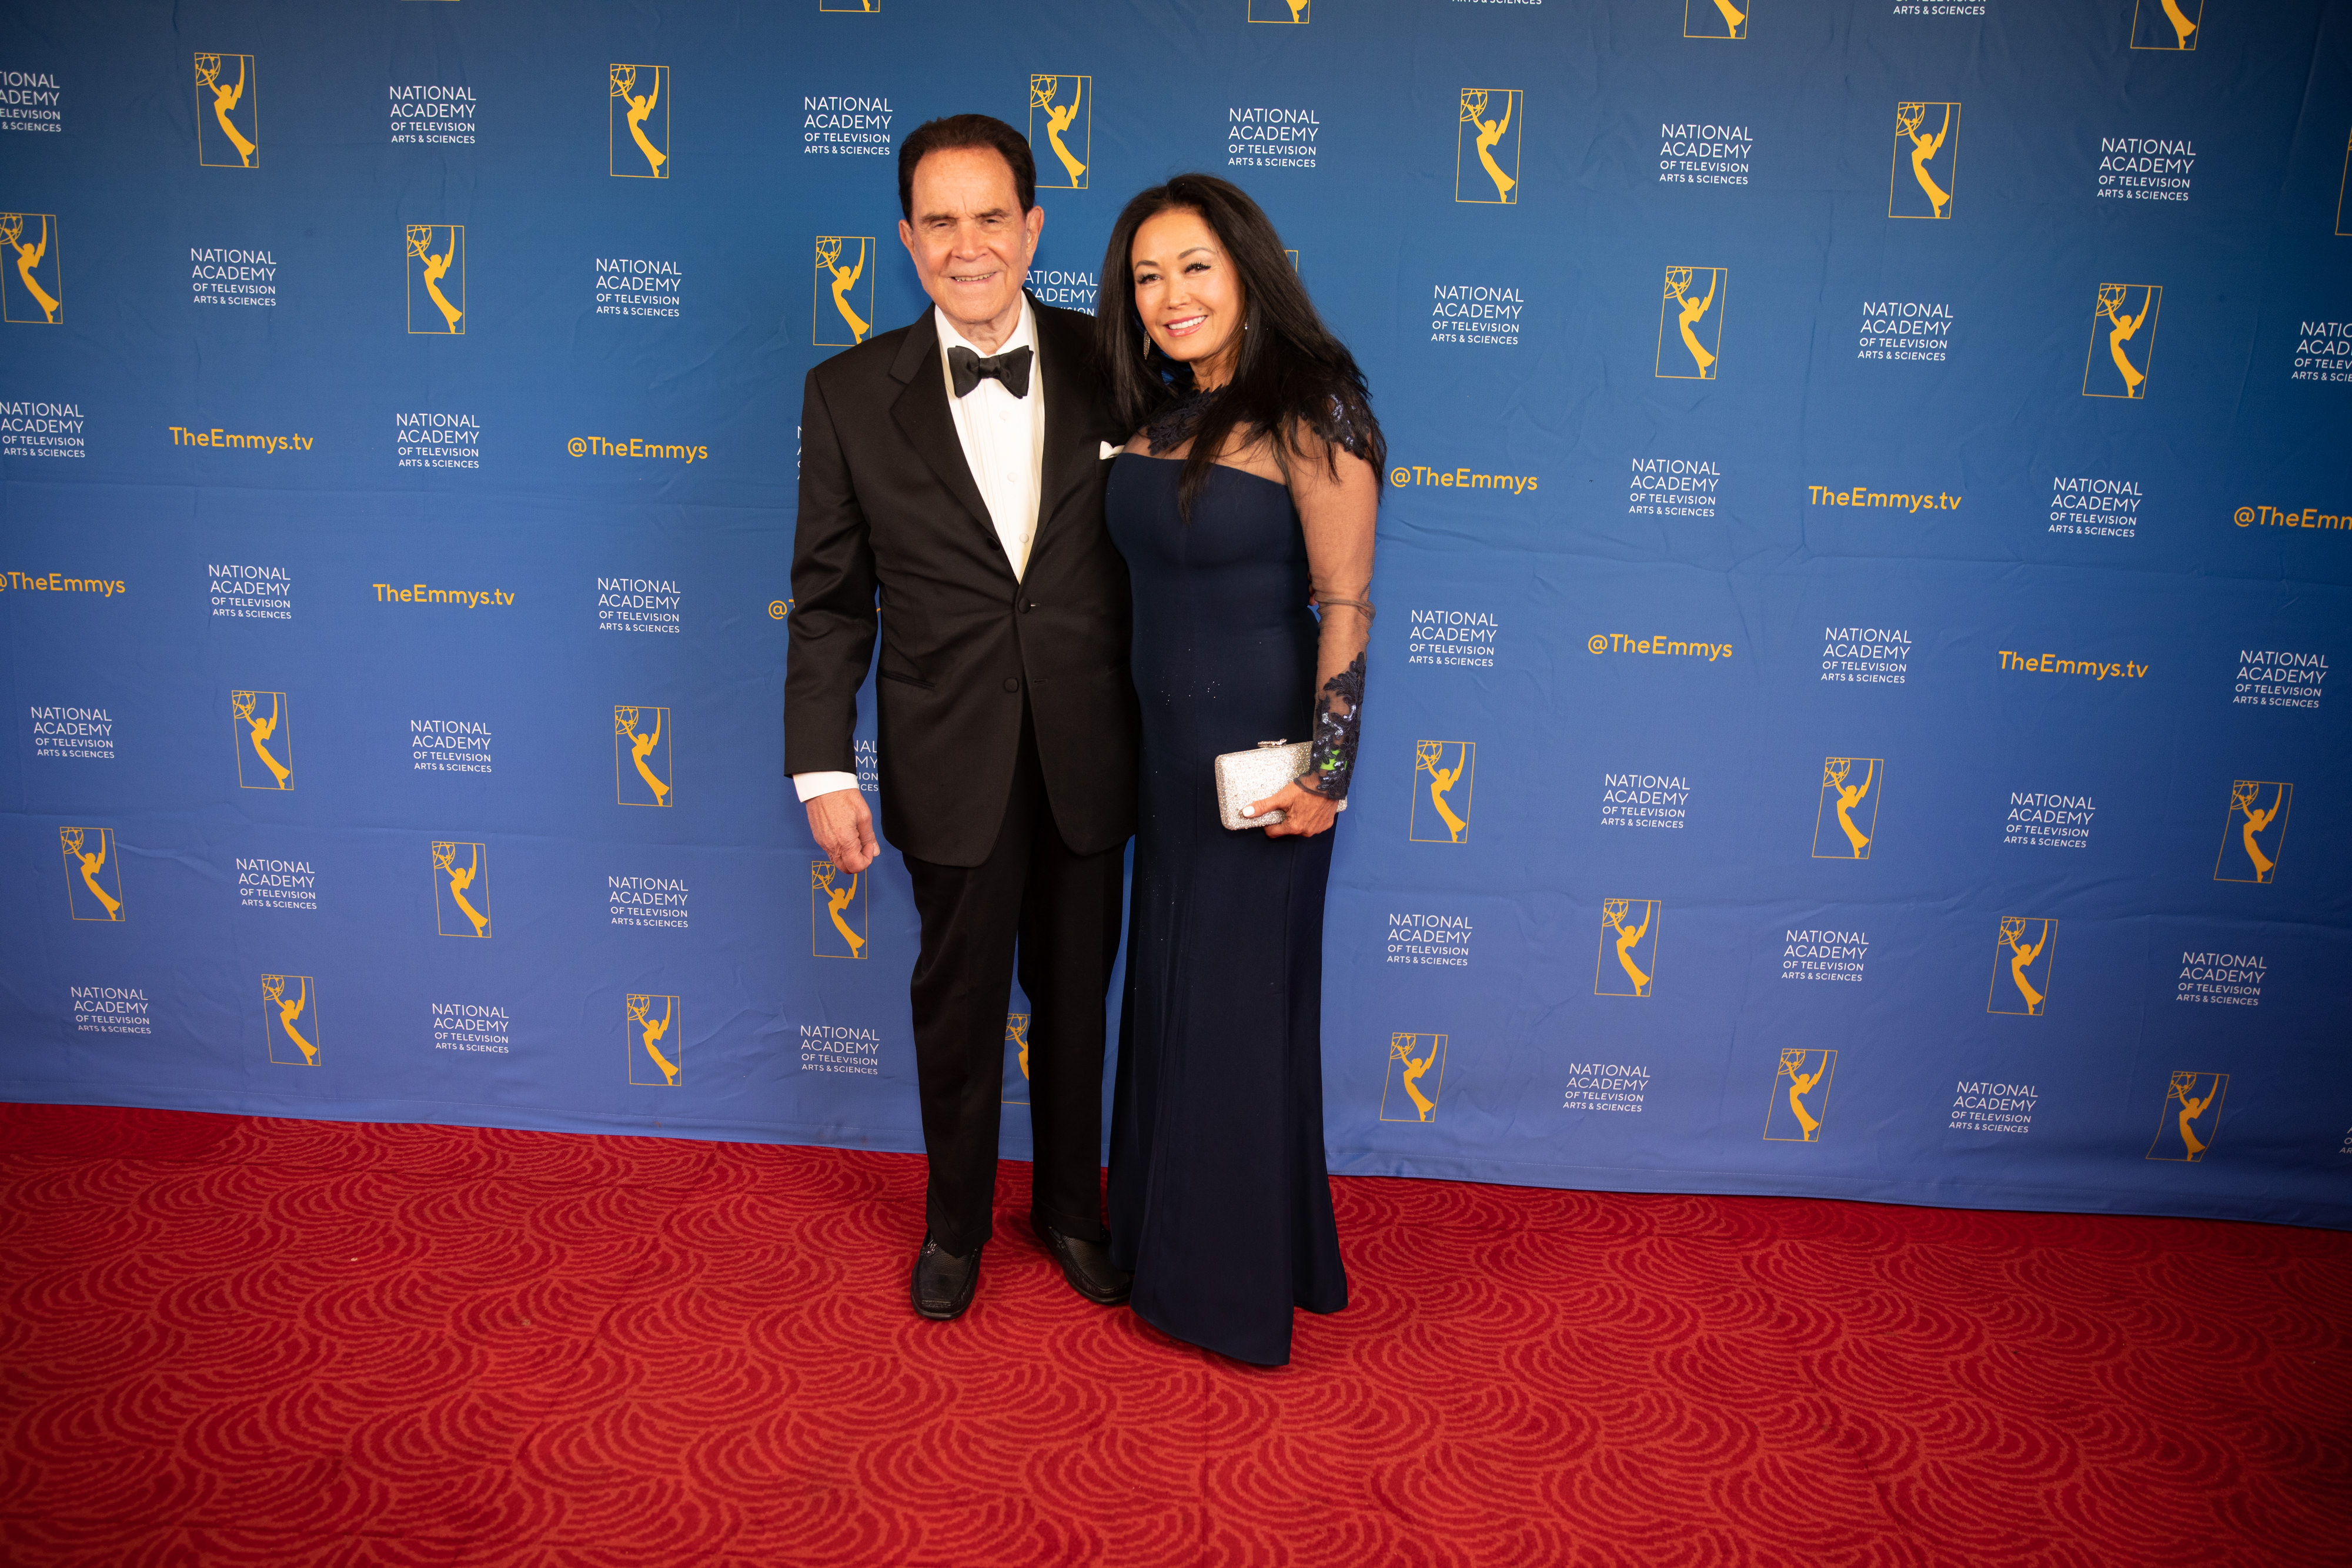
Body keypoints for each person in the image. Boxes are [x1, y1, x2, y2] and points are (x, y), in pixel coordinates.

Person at [786, 115, 1140, 1322]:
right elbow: (829, 600)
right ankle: (954, 1225)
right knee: (958, 1005)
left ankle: (1073, 1209)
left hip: (1094, 747)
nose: (967, 244)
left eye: (991, 216)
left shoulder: (1120, 358)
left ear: (1033, 228)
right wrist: (821, 767)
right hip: (948, 753)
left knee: (1079, 998)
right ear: (904, 239)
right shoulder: (846, 393)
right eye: (939, 221)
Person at [1095, 174, 1383, 1365]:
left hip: (1263, 769)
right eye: (1146, 275)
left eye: (1195, 267)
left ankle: (1223, 1289)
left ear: (1249, 274)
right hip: (1164, 771)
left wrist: (1328, 770)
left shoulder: (1314, 406)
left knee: (1233, 1012)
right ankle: (1169, 1241)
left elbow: (1346, 602)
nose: (1170, 295)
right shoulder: (1163, 414)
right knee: (1173, 995)